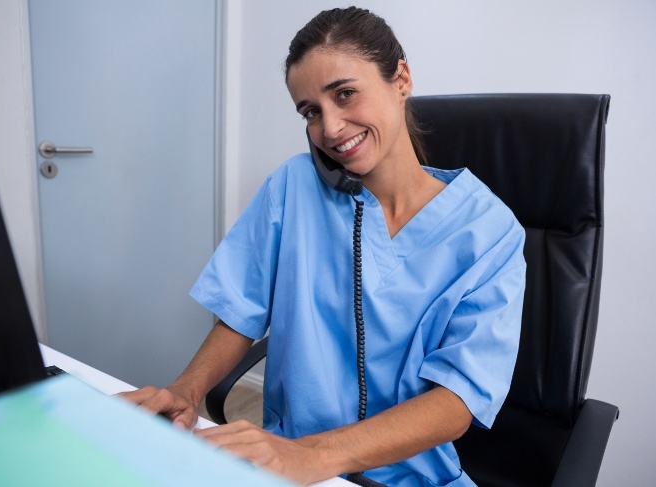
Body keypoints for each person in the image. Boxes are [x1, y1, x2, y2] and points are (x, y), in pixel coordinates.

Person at [121, 7, 526, 487]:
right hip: (286, 464)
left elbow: (458, 400)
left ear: (401, 79)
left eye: (345, 94)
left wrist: (312, 456)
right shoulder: (292, 186)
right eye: (311, 111)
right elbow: (239, 311)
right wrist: (187, 391)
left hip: (409, 476)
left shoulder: (489, 232)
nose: (330, 129)